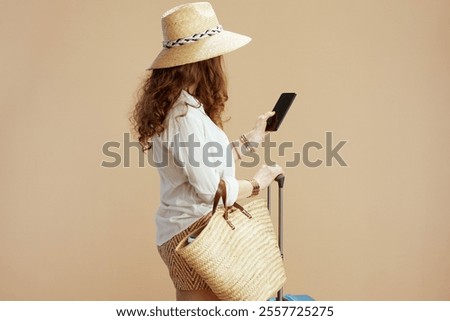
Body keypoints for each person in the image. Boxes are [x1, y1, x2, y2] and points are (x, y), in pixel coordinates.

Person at [130, 2, 284, 301]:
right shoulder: (185, 116)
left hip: (190, 229)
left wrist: (248, 141)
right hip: (193, 233)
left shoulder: (183, 107)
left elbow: (202, 163)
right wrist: (257, 184)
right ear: (204, 61)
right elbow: (208, 189)